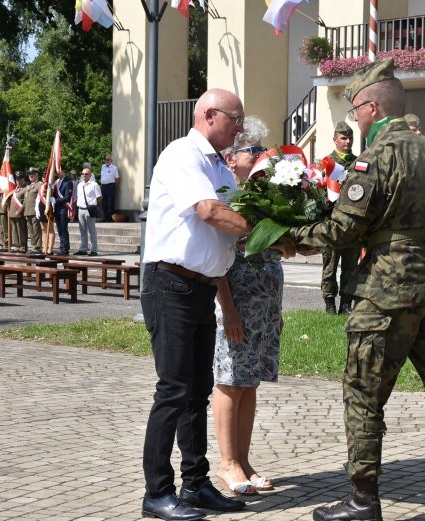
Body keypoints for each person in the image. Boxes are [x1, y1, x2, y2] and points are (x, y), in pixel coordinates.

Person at [282, 59, 425, 521]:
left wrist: (286, 237)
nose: (354, 117)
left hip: (387, 293)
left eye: (355, 108)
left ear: (372, 106)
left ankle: (363, 502)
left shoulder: (374, 158)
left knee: (362, 392)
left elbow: (342, 230)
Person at [139, 88, 254, 521]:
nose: (239, 127)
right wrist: (263, 232)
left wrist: (226, 299)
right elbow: (209, 212)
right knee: (173, 390)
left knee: (197, 393)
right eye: (235, 118)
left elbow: (222, 236)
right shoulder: (181, 154)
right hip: (170, 285)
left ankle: (196, 484)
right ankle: (157, 493)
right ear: (209, 115)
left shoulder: (216, 165)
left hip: (202, 287)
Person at [212, 117, 279, 497]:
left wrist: (275, 310)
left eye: (260, 150)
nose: (258, 156)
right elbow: (221, 259)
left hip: (263, 305)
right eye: (250, 150)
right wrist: (230, 310)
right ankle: (227, 463)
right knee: (230, 379)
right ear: (231, 157)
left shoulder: (263, 194)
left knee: (249, 382)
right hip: (234, 302)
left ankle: (244, 459)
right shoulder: (225, 194)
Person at [321, 121, 359, 315]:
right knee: (330, 264)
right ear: (335, 139)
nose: (347, 141)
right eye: (343, 138)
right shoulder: (327, 163)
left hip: (352, 222)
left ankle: (346, 303)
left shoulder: (359, 162)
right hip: (332, 222)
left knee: (351, 265)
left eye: (350, 137)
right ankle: (329, 303)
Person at [74, 167, 102, 256]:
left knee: (92, 231)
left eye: (86, 174)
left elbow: (100, 197)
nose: (84, 175)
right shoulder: (79, 185)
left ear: (90, 175)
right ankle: (83, 249)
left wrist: (93, 204)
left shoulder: (94, 185)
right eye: (83, 174)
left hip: (89, 210)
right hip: (80, 209)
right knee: (82, 231)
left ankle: (93, 250)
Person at [53, 169, 73, 255]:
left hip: (64, 208)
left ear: (64, 172)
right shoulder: (56, 182)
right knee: (59, 229)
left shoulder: (68, 182)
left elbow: (67, 198)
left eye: (60, 171)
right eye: (57, 171)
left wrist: (55, 200)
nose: (58, 173)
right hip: (57, 209)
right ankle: (62, 247)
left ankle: (65, 249)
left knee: (63, 229)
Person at [8, 172, 28, 254]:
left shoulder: (26, 188)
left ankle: (22, 246)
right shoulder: (14, 189)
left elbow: (25, 201)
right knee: (15, 231)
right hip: (13, 212)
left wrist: (20, 211)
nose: (18, 180)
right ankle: (16, 246)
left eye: (20, 178)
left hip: (20, 213)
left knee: (21, 231)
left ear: (23, 179)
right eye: (17, 179)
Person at [23, 167, 43, 253]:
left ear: (36, 175)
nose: (31, 176)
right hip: (28, 211)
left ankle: (38, 247)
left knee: (36, 230)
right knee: (31, 231)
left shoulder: (40, 184)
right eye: (29, 174)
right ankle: (34, 246)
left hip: (35, 211)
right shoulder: (28, 186)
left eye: (32, 174)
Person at [100, 154, 119, 221]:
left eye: (108, 159)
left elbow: (116, 178)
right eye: (105, 159)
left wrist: (114, 187)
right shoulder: (103, 166)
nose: (106, 161)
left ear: (111, 160)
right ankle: (105, 217)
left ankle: (111, 218)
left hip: (111, 186)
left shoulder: (114, 168)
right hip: (103, 186)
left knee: (110, 202)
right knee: (104, 202)